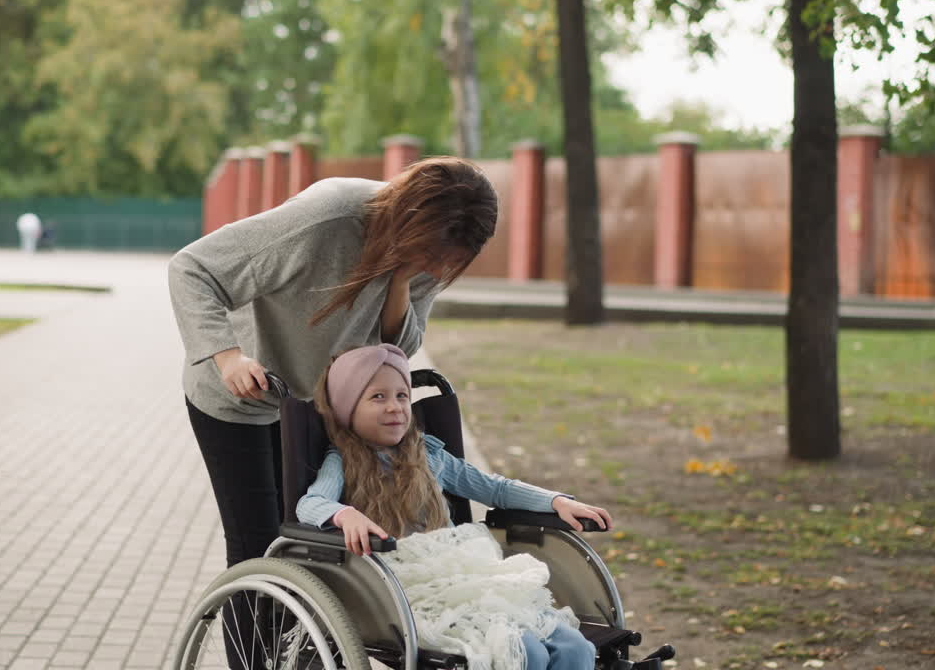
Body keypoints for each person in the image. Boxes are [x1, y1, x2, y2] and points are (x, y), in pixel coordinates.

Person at [168, 158, 498, 666]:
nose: (437, 268)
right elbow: (193, 268)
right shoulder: (328, 219)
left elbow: (399, 349)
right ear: (411, 217)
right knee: (259, 548)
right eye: (431, 253)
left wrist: (400, 278)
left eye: (447, 261)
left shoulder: (429, 256)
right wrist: (227, 356)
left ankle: (303, 654)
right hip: (242, 396)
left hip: (318, 405)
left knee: (315, 544)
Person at [297, 343, 612, 670]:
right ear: (347, 409)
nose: (395, 407)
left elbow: (495, 488)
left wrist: (555, 501)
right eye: (378, 397)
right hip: (408, 592)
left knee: (574, 647)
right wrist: (345, 514)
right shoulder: (341, 462)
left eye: (402, 396)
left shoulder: (428, 456)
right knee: (525, 653)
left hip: (468, 576)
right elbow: (311, 503)